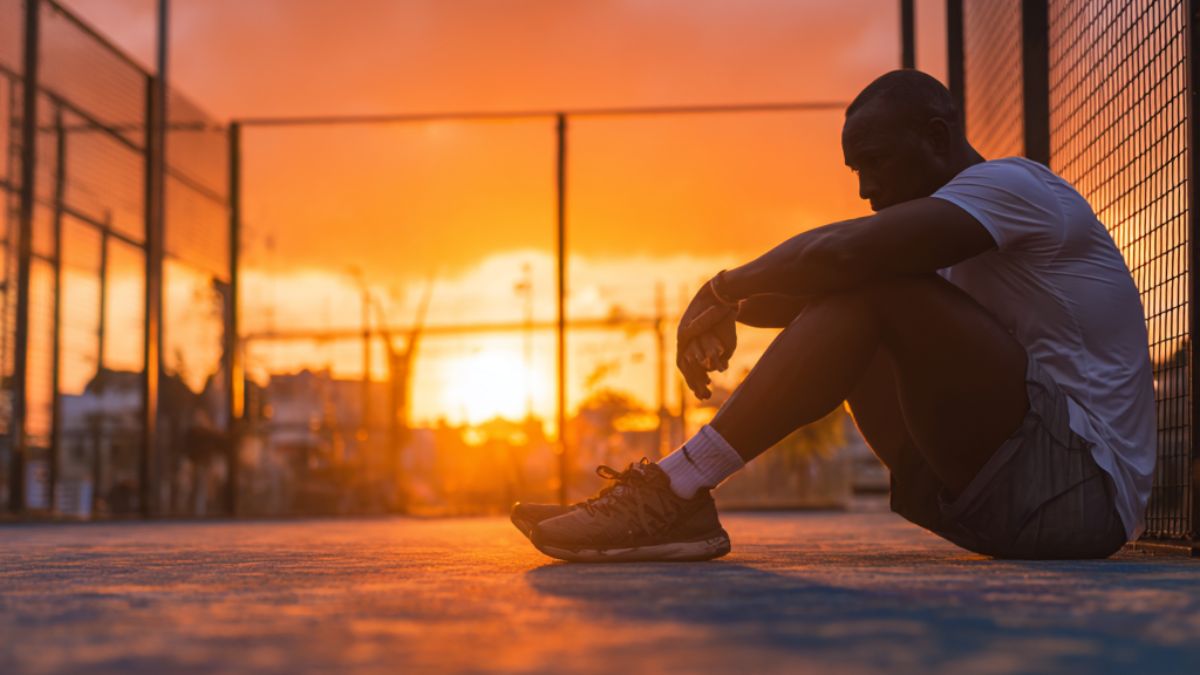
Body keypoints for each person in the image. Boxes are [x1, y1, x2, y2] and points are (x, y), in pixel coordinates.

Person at [511, 69, 1155, 562]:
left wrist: (720, 288)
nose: (864, 187)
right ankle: (678, 495)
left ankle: (676, 491)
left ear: (937, 137)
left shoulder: (1017, 189)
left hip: (1082, 495)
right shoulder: (945, 243)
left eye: (877, 162)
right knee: (863, 284)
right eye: (855, 168)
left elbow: (843, 255)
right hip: (991, 498)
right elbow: (812, 295)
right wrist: (733, 308)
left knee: (871, 283)